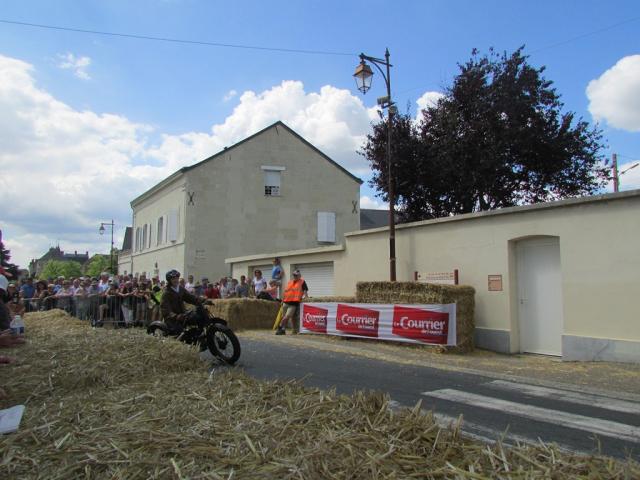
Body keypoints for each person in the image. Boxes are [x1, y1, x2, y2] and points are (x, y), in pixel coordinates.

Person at [276, 269, 308, 335]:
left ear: (299, 276)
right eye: (294, 275)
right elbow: (286, 292)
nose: (294, 276)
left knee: (287, 316)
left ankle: (279, 326)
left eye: (296, 275)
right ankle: (283, 330)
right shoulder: (290, 282)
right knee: (284, 317)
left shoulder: (302, 282)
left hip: (293, 303)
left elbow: (305, 291)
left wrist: (306, 298)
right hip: (285, 302)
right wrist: (282, 300)